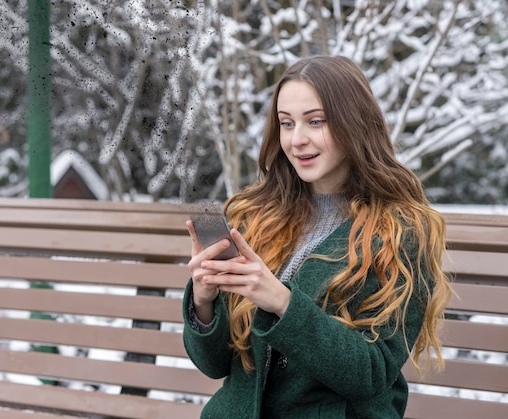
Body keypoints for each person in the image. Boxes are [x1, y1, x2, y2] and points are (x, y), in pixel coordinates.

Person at [182, 55, 452, 418]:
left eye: (315, 121)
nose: (297, 140)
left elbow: (372, 373)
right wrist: (204, 300)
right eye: (286, 123)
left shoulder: (399, 231)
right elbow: (215, 366)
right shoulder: (255, 215)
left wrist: (281, 302)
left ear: (353, 122)